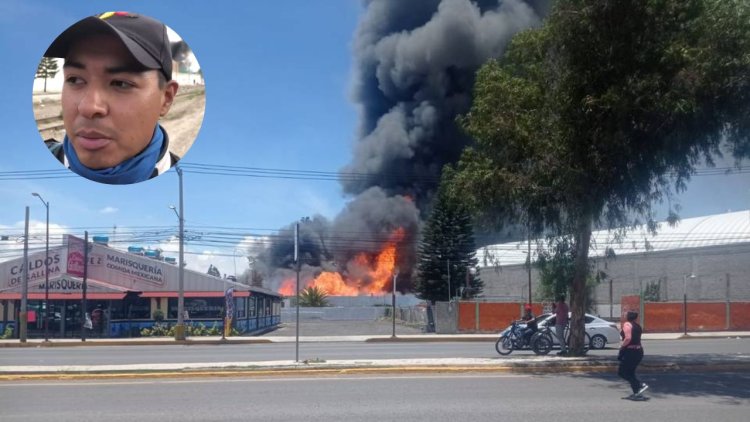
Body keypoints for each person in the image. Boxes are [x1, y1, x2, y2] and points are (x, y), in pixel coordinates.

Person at [43, 11, 180, 184]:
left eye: (120, 84)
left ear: (166, 98)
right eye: (75, 79)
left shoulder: (183, 181)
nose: (89, 107)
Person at [618, 310, 649, 399]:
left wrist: (621, 346)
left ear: (628, 317)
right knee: (630, 373)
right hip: (638, 352)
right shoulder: (638, 326)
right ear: (635, 318)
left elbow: (628, 338)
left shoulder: (627, 325)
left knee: (622, 372)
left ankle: (640, 385)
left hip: (630, 352)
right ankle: (637, 393)